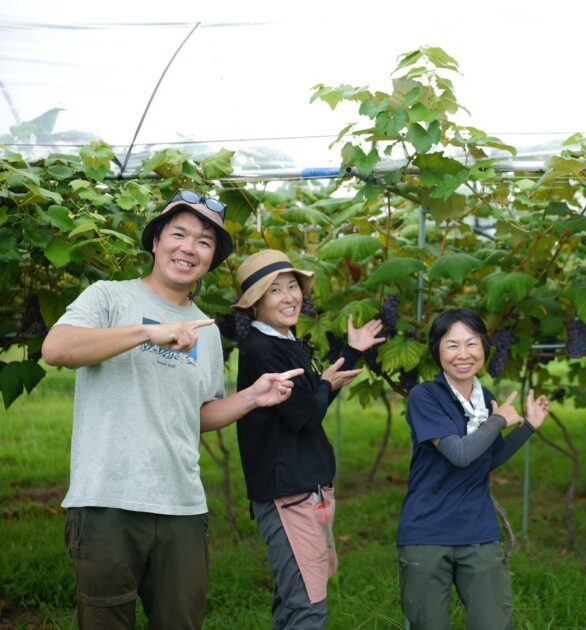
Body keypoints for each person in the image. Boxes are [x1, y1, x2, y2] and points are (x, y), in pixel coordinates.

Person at [42, 190, 304, 630]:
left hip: (182, 506)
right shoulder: (109, 298)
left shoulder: (207, 330)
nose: (189, 247)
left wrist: (251, 397)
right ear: (155, 242)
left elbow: (197, 415)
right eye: (178, 234)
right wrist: (148, 333)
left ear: (211, 259)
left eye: (204, 241)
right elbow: (57, 348)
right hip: (108, 500)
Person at [232, 249, 385, 629]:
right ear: (254, 304)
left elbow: (306, 400)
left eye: (293, 287)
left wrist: (349, 355)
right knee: (306, 606)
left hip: (303, 488)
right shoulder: (261, 349)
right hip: (289, 494)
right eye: (275, 291)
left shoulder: (284, 340)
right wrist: (326, 384)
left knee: (294, 599)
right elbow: (305, 414)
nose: (290, 297)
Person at [397, 308, 550, 630]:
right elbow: (459, 454)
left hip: (478, 531)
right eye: (452, 345)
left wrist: (527, 427)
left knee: (493, 623)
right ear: (437, 350)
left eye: (472, 343)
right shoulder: (425, 396)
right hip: (428, 532)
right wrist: (498, 421)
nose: (463, 354)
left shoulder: (487, 400)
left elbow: (486, 459)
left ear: (484, 347)